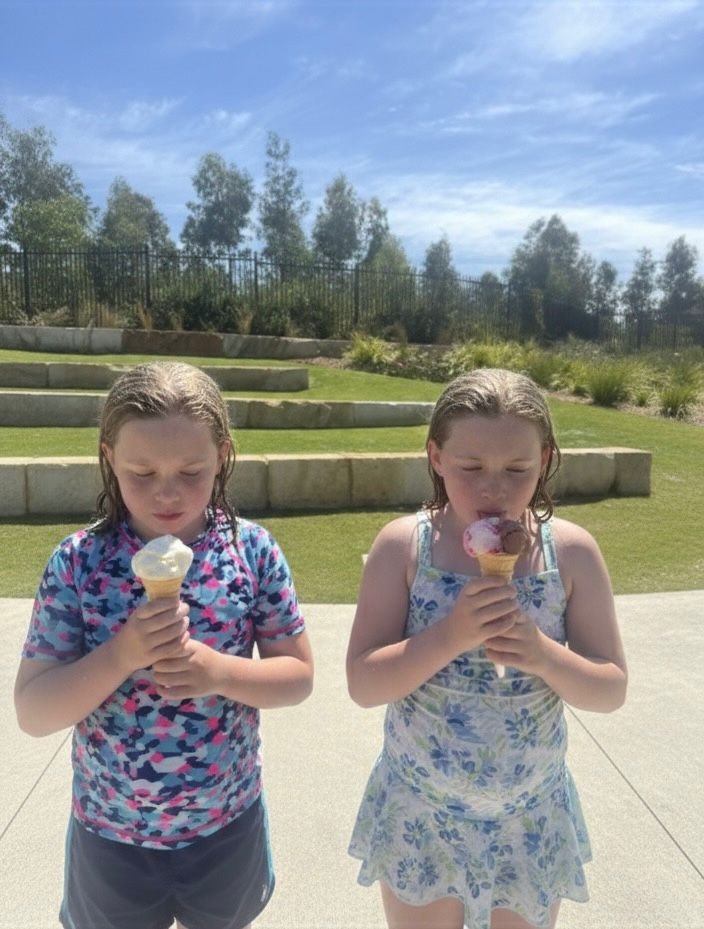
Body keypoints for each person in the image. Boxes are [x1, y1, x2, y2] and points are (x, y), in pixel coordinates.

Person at [14, 361, 314, 929]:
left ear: (223, 456)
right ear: (108, 457)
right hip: (110, 835)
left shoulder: (251, 553)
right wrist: (121, 654)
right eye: (142, 472)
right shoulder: (79, 563)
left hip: (227, 823)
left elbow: (298, 676)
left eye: (191, 470)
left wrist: (219, 672)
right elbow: (33, 710)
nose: (167, 492)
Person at [346, 368, 627, 929]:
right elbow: (364, 682)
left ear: (545, 460)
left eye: (517, 469)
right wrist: (450, 636)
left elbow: (610, 687)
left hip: (530, 815)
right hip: (420, 811)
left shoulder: (569, 554)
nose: (492, 488)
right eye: (470, 468)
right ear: (436, 457)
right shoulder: (404, 547)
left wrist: (542, 654)